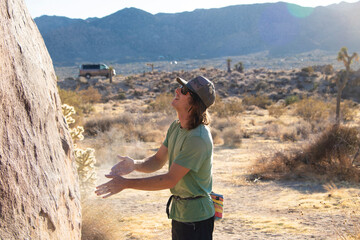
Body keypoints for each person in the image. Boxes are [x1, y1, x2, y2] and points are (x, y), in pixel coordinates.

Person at [95, 75, 216, 240]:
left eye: (184, 90)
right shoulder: (176, 127)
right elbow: (158, 160)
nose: (177, 90)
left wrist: (125, 184)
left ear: (194, 103)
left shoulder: (197, 138)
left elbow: (170, 180)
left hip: (197, 218)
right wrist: (135, 165)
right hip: (180, 213)